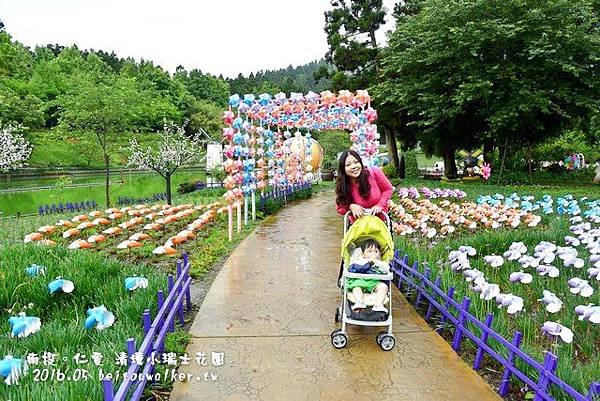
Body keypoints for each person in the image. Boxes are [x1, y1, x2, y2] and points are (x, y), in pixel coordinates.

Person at [335, 150, 394, 221]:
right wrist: (351, 206)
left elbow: (388, 189)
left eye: (356, 162)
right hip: (359, 228)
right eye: (348, 165)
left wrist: (380, 205)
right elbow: (340, 208)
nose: (353, 166)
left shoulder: (374, 172)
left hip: (381, 223)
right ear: (343, 169)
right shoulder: (342, 185)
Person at [347, 239, 389, 313]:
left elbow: (385, 270)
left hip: (375, 282)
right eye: (369, 252)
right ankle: (359, 302)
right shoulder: (360, 261)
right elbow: (352, 268)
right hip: (360, 281)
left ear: (380, 253)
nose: (373, 254)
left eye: (376, 251)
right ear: (363, 254)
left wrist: (376, 263)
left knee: (383, 287)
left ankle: (378, 305)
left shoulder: (381, 263)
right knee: (356, 288)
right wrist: (367, 264)